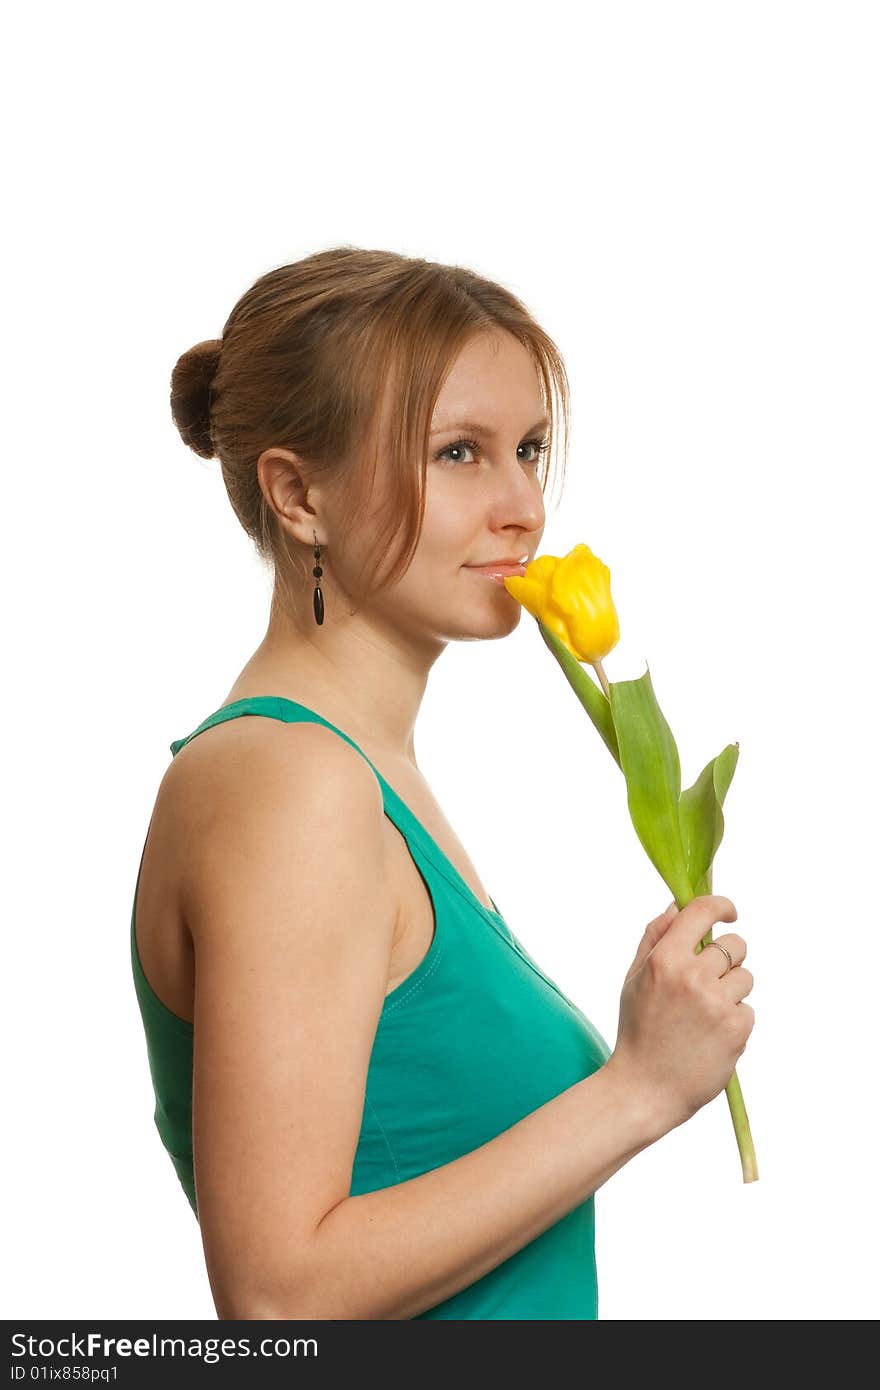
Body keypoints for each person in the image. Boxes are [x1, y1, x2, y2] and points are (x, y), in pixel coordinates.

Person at [130, 246, 755, 1321]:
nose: (520, 505)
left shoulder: (366, 777)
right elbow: (278, 1295)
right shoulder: (292, 784)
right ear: (298, 495)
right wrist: (638, 1089)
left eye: (528, 448)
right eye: (458, 452)